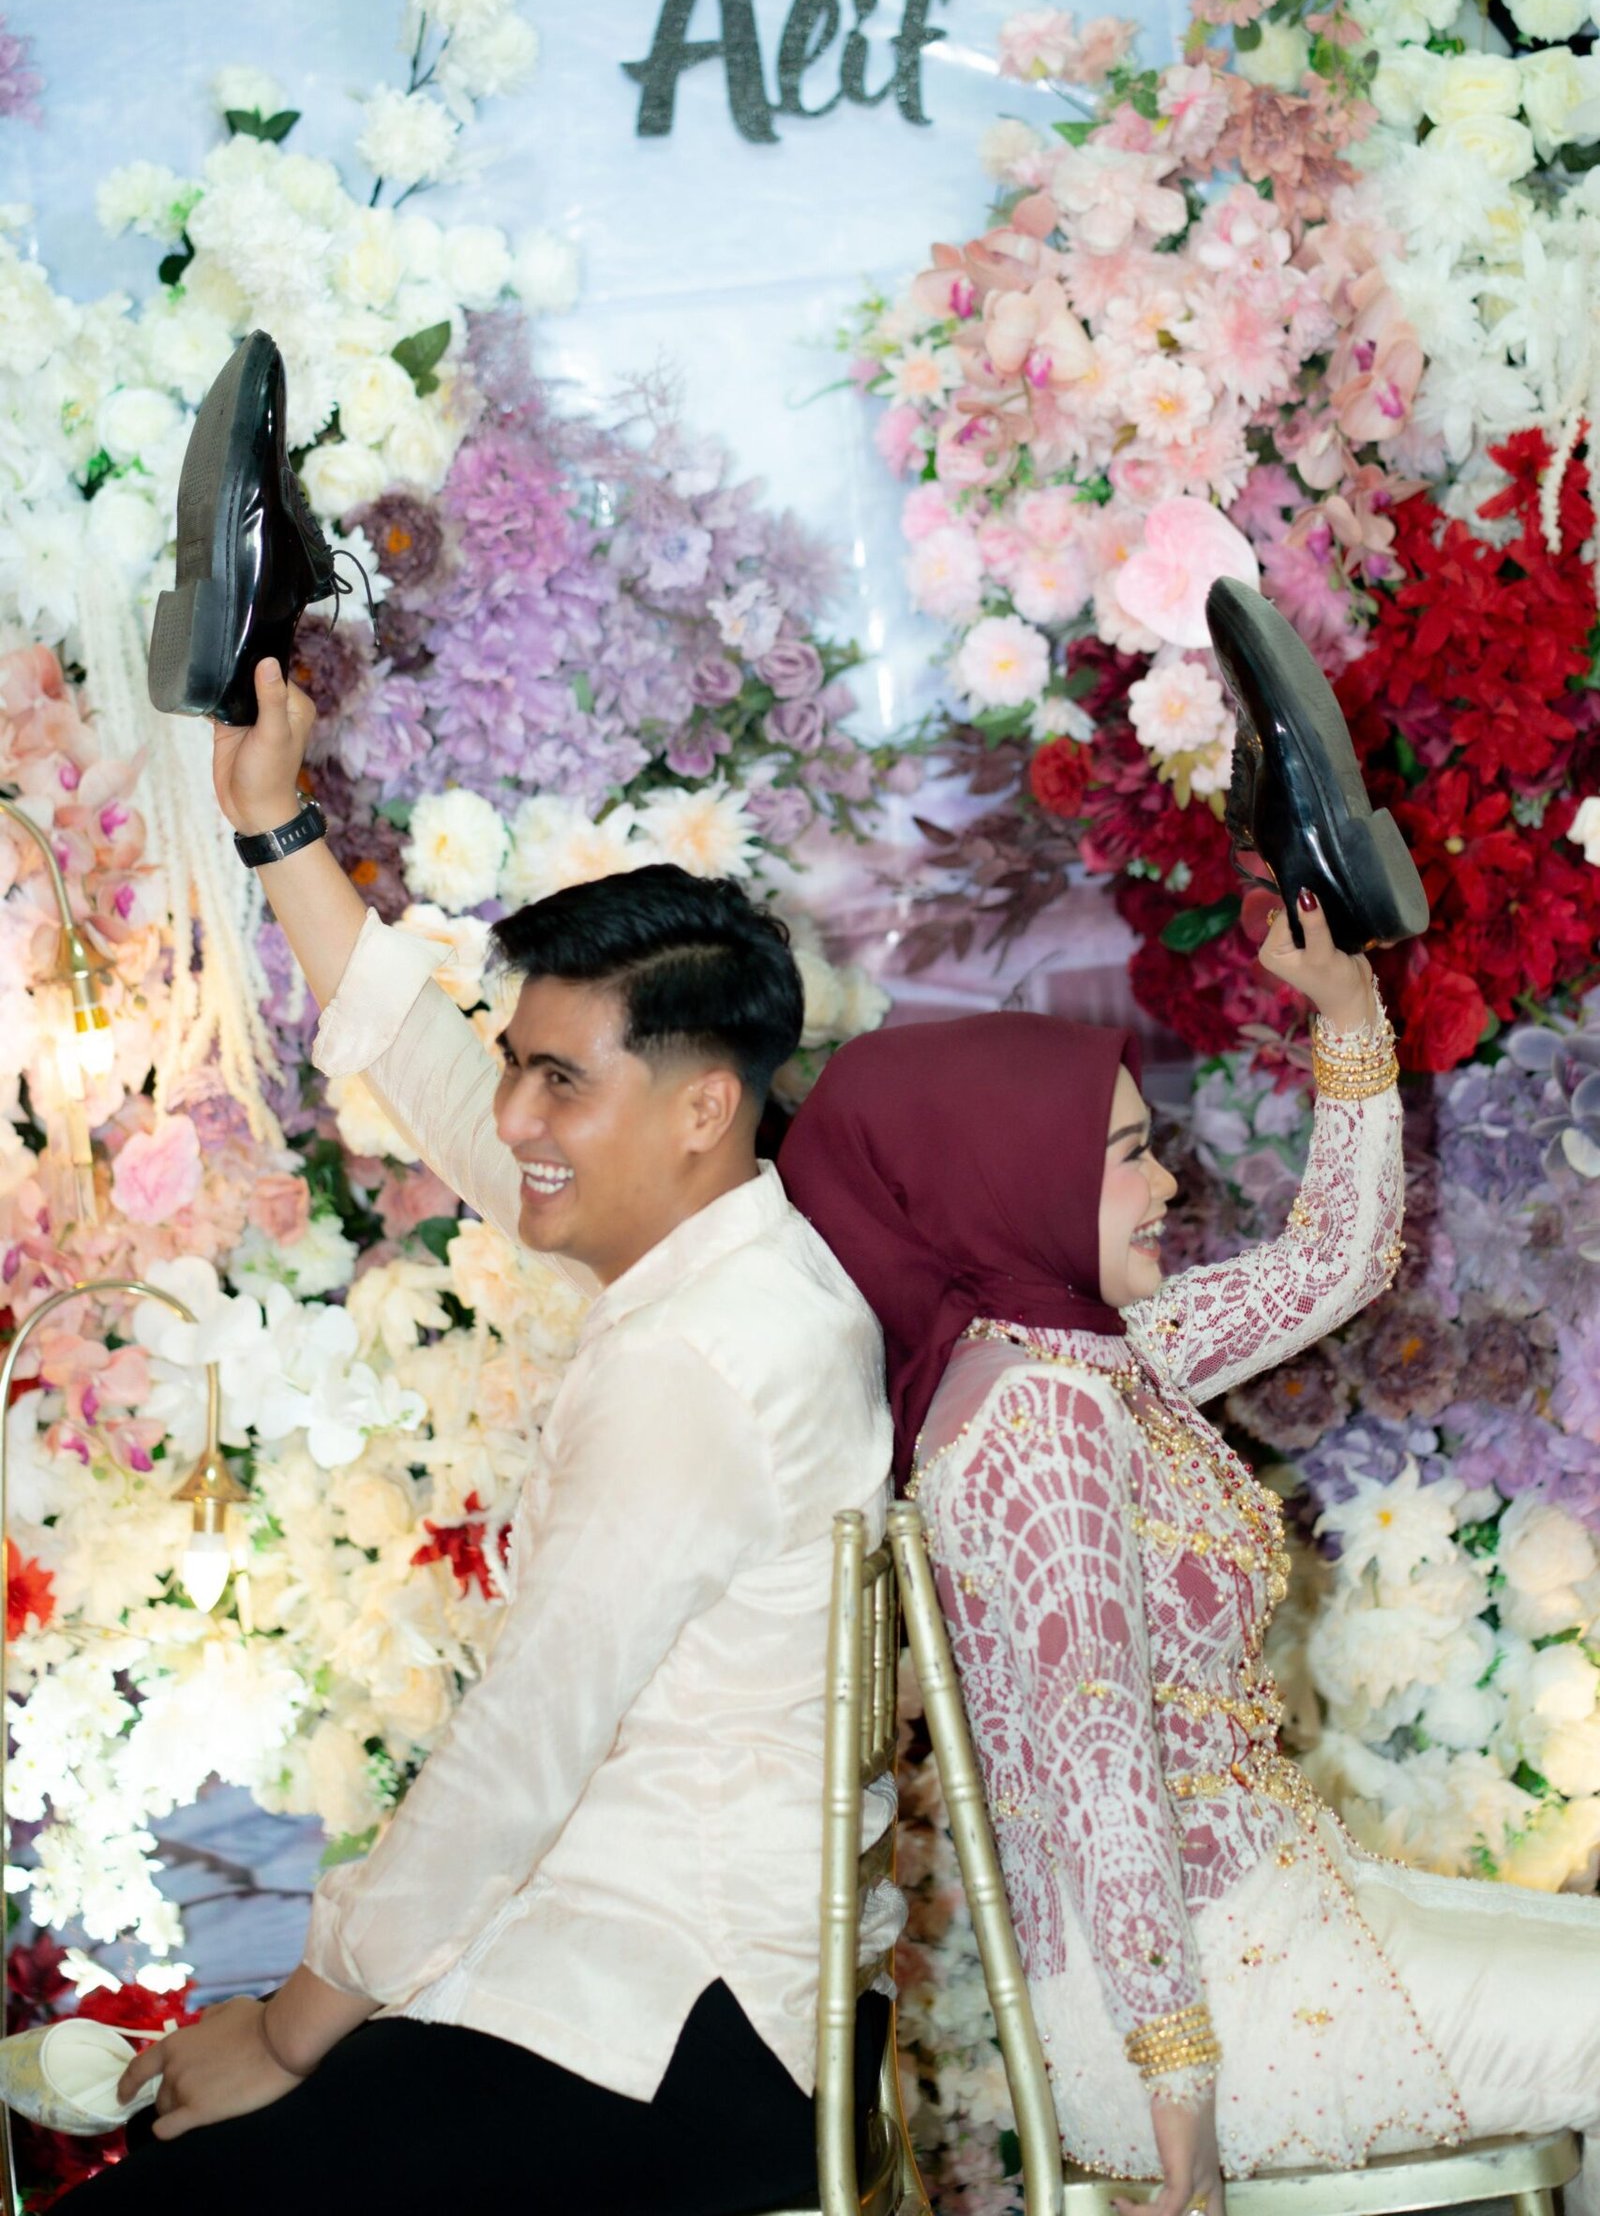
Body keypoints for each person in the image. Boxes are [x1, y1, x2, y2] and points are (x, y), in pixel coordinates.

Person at [72, 658, 895, 2214]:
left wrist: (293, 2030)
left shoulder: (698, 1364)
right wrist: (274, 826)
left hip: (668, 2021)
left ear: (701, 1109)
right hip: (625, 1975)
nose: (514, 1116)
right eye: (520, 1061)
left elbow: (524, 1747)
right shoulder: (726, 1252)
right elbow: (448, 1087)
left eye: (558, 1081)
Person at [781, 899, 1600, 2216]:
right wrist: (1182, 2103)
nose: (1166, 1186)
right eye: (1125, 1158)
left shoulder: (1087, 1353)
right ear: (1006, 1182)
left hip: (1275, 1926)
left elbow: (1334, 1262)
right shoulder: (1037, 1426)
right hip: (1204, 2018)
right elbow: (1100, 1776)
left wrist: (1347, 1010)